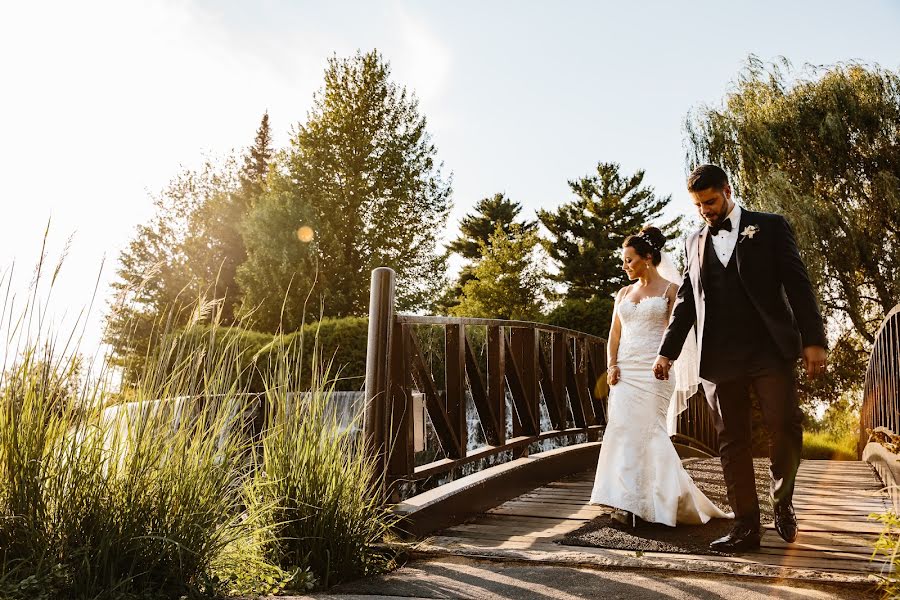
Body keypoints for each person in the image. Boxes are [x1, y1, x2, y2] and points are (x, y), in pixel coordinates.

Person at [653, 164, 827, 553]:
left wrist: (814, 340)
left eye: (711, 202)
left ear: (728, 191)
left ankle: (782, 500)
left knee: (783, 424)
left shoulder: (770, 226)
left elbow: (798, 284)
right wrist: (667, 352)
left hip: (768, 348)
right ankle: (746, 524)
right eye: (698, 205)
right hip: (719, 354)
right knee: (732, 440)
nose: (705, 211)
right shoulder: (692, 241)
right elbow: (685, 304)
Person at [590, 226, 732, 527]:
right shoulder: (623, 293)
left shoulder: (670, 290)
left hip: (656, 371)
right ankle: (626, 502)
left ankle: (663, 501)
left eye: (629, 260)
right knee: (623, 432)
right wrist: (612, 364)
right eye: (624, 260)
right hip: (626, 372)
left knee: (650, 432)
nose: (624, 266)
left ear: (648, 258)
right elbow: (614, 334)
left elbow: (675, 331)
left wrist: (667, 361)